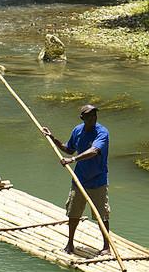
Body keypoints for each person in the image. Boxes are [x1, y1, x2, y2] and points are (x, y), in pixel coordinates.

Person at [42, 104, 111, 256]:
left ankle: (106, 246)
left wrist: (72, 159)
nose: (93, 118)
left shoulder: (102, 132)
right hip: (79, 179)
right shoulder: (77, 130)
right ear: (82, 118)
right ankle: (70, 243)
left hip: (98, 180)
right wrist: (52, 138)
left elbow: (94, 150)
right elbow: (69, 149)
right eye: (89, 116)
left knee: (102, 214)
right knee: (73, 213)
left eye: (95, 115)